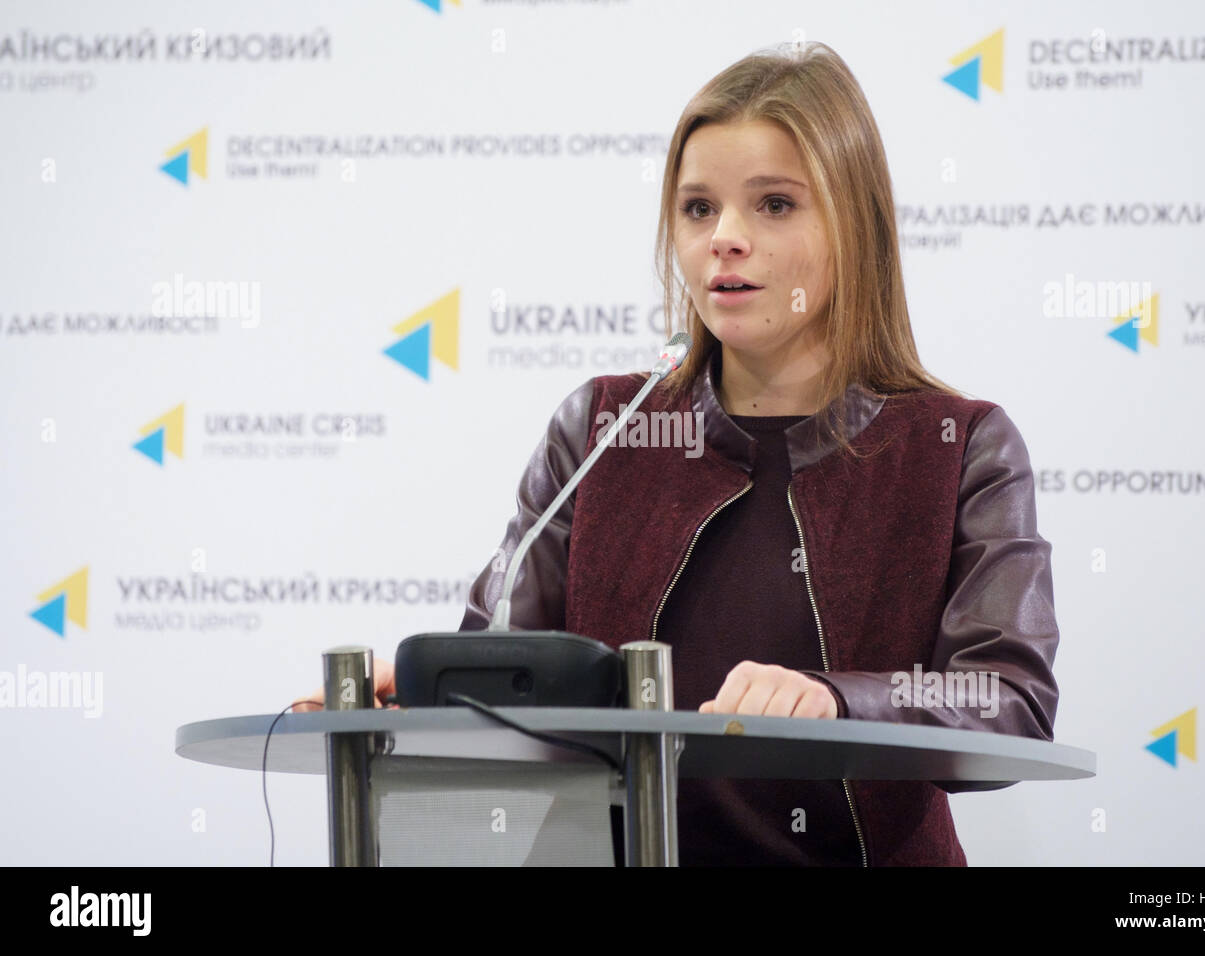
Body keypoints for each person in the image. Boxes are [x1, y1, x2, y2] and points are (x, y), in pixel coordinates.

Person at [298, 41, 1060, 867]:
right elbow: (508, 667)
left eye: (773, 204)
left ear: (857, 225)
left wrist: (839, 701)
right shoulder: (600, 427)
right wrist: (416, 697)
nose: (725, 239)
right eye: (699, 209)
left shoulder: (960, 445)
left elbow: (1008, 699)